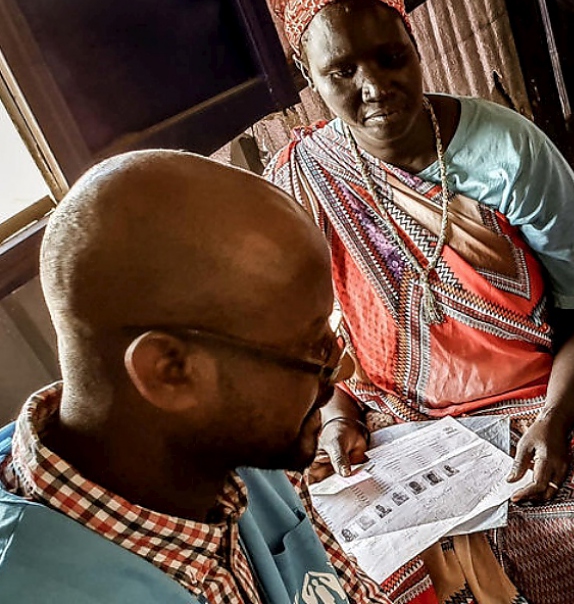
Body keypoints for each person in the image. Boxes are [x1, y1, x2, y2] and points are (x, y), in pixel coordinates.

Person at [264, 0, 574, 603]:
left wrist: (553, 422)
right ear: (309, 74)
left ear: (413, 39)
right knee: (325, 557)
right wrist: (336, 417)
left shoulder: (510, 151)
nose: (375, 87)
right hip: (394, 419)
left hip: (540, 397)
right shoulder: (305, 179)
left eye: (390, 56)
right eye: (341, 71)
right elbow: (316, 339)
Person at [0, 151, 389, 603]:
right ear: (171, 372)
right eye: (312, 349)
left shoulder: (227, 451)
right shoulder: (37, 588)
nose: (343, 369)